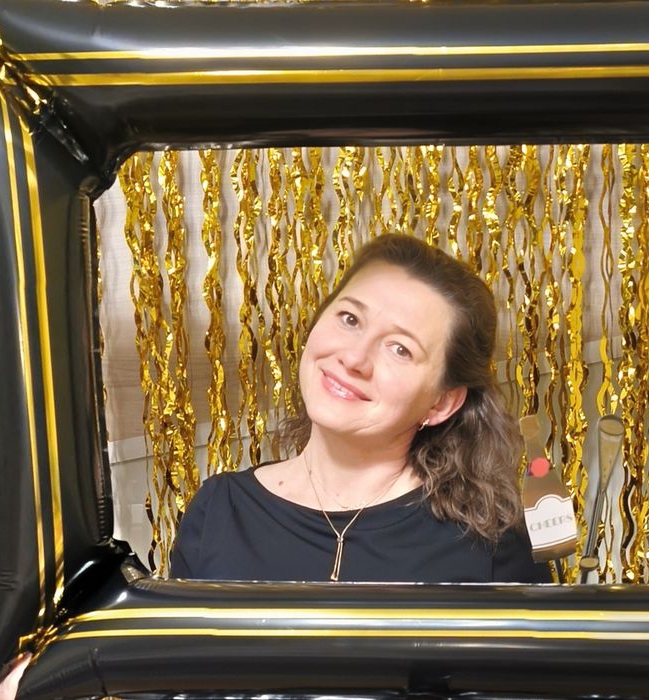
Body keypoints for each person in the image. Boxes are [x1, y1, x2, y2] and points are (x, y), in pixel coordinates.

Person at [170, 233, 549, 583]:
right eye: (350, 319)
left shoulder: (493, 544)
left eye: (400, 349)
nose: (354, 358)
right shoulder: (217, 511)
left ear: (441, 402)